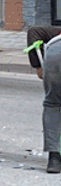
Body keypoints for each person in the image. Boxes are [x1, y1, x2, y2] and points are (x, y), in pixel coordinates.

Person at [26, 26, 61, 173]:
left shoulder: (55, 32)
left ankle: (54, 159)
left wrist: (39, 67)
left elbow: (33, 32)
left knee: (52, 104)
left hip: (55, 54)